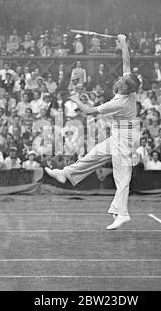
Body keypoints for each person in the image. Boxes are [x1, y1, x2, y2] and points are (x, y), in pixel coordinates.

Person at [45, 34, 140, 230]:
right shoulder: (128, 88)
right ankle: (65, 174)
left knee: (122, 177)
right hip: (119, 136)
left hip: (126, 139)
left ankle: (122, 214)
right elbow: (126, 61)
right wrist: (122, 42)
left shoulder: (118, 103)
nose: (118, 80)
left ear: (125, 87)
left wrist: (76, 99)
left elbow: (88, 111)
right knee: (92, 156)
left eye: (121, 81)